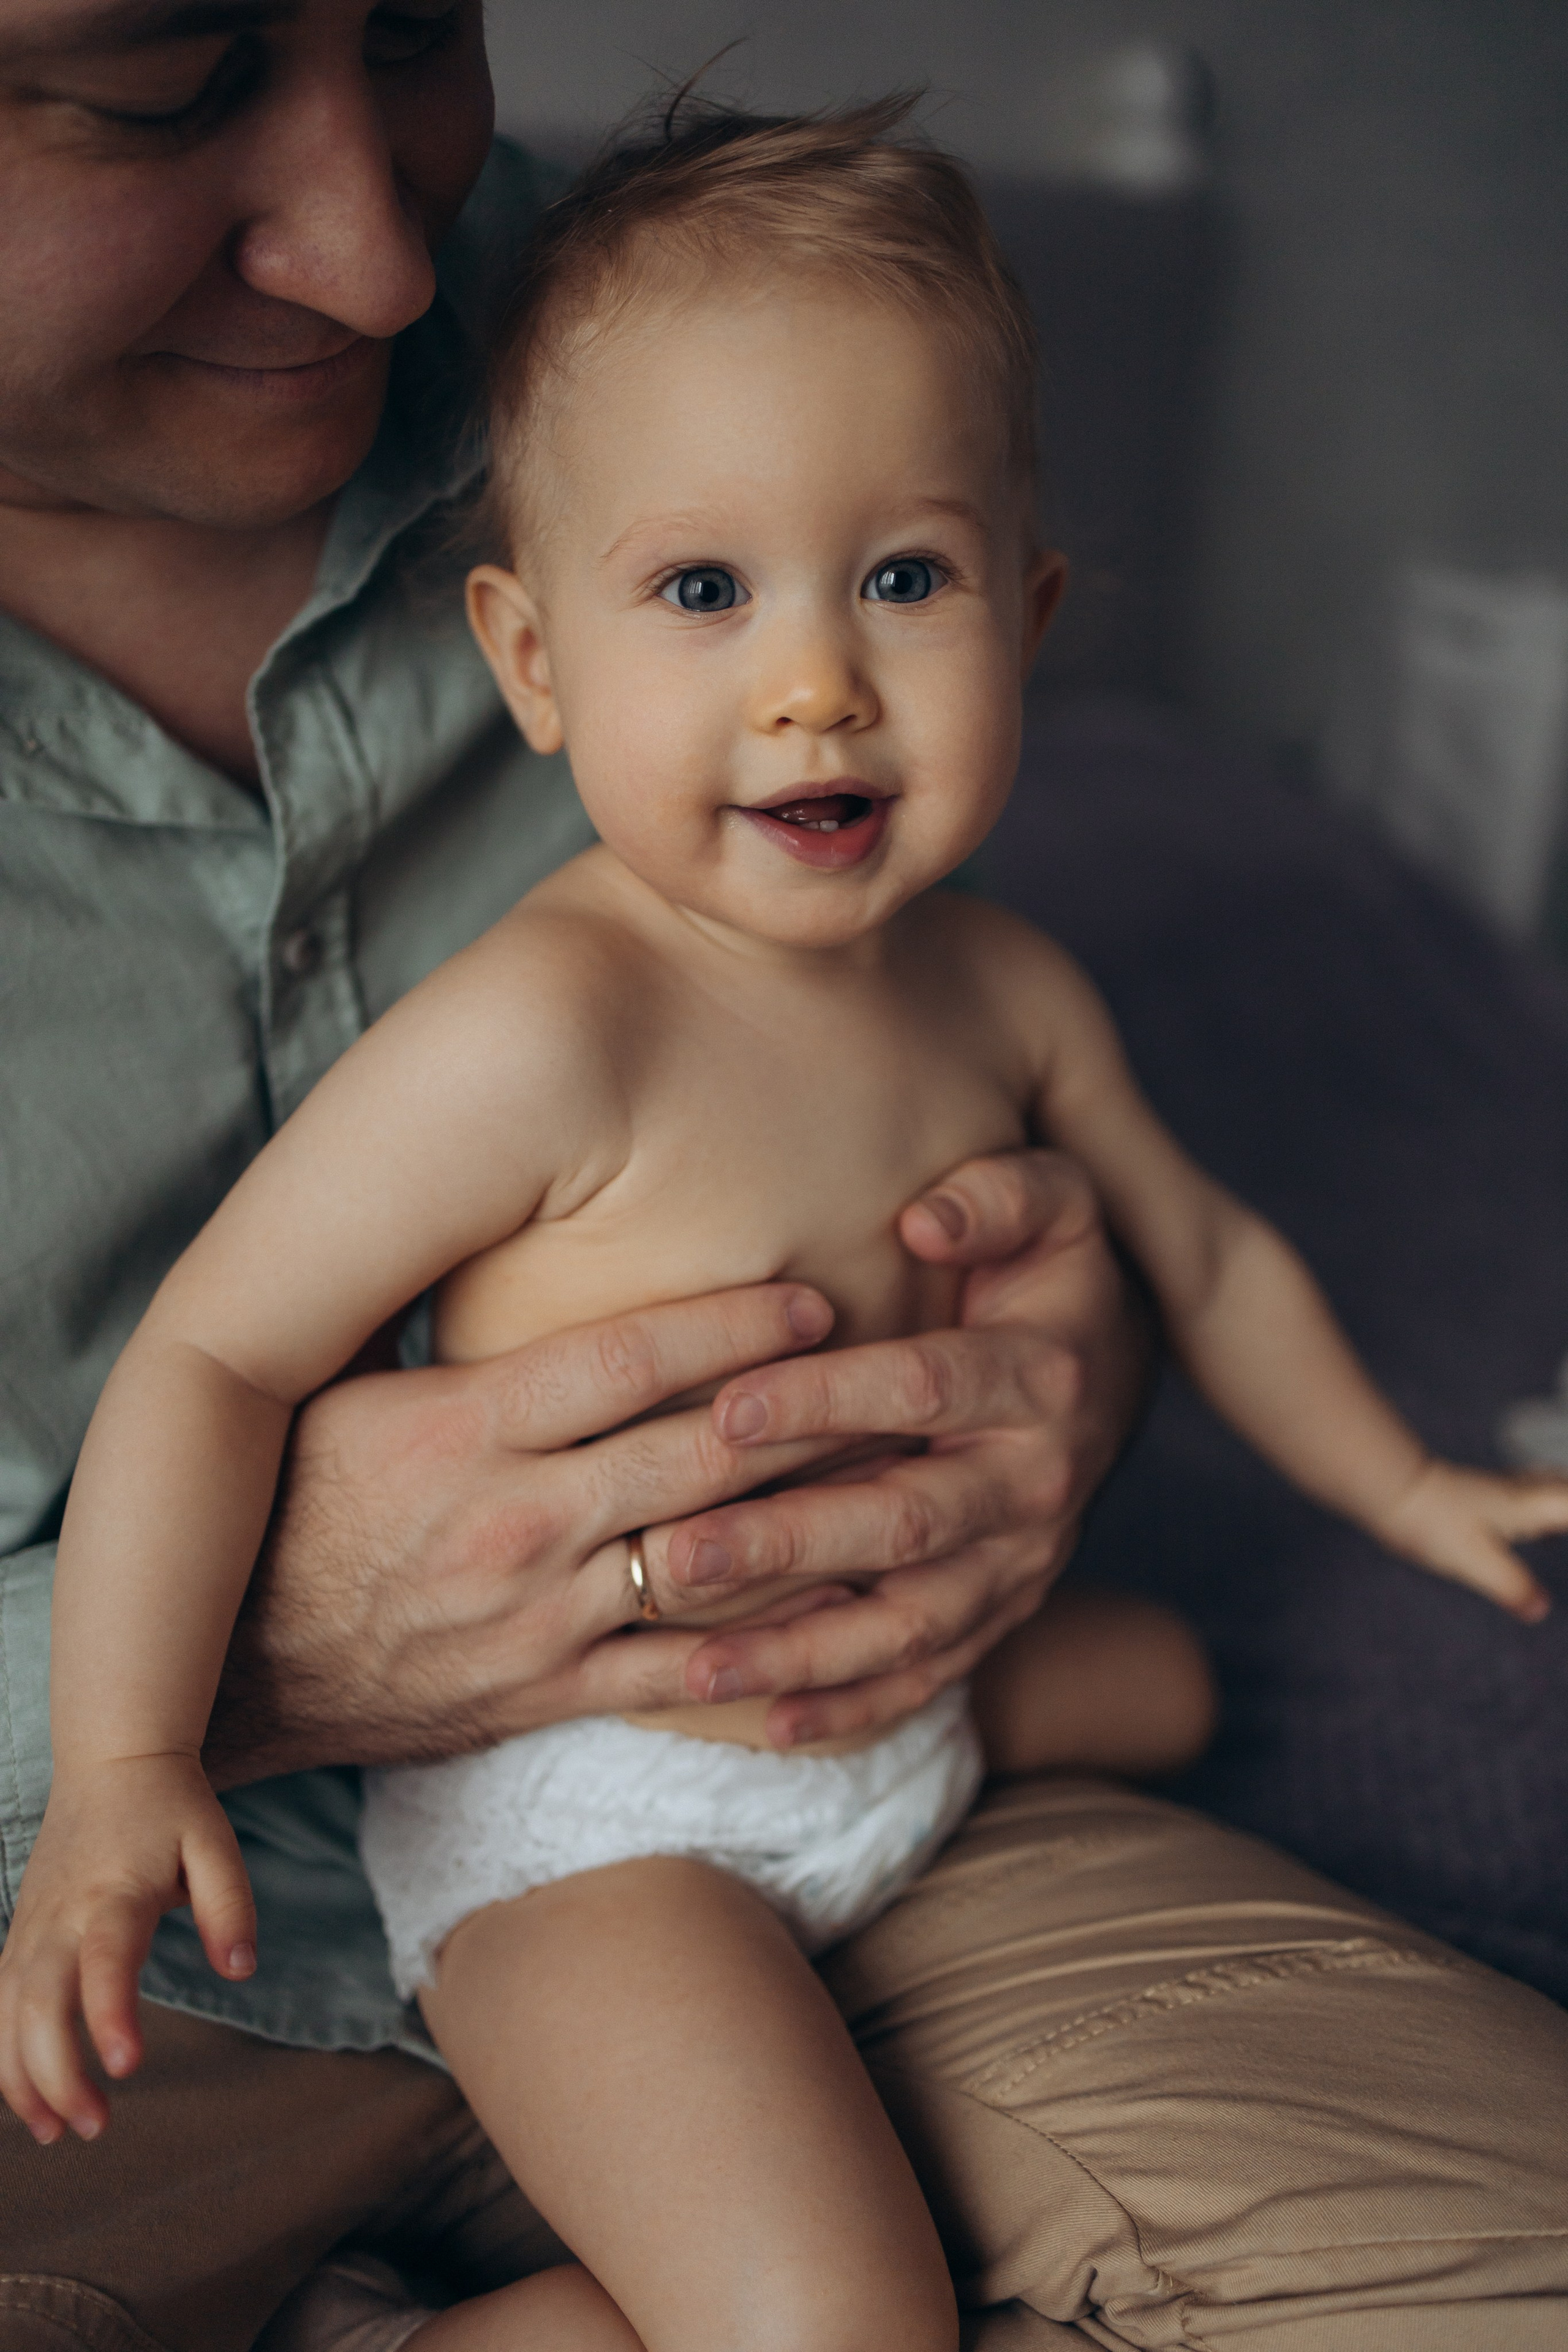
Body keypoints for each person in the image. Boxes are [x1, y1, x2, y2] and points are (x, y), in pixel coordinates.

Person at [1, 10, 1566, 2352]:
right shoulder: (553, 1023)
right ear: (524, 657)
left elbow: (1197, 1242)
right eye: (708, 598)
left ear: (1033, 615)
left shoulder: (997, 966)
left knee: (1189, 1686)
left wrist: (1384, 1478)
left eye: (909, 589)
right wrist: (124, 1758)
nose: (819, 691)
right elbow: (214, 1353)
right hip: (588, 1830)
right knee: (832, 2323)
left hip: (878, 1736)